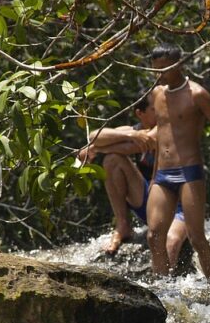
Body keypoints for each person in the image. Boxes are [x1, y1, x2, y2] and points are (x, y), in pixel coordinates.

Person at [147, 44, 210, 278]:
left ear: (178, 65)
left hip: (189, 172)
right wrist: (154, 175)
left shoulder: (197, 94)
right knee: (154, 235)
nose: (159, 74)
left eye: (164, 69)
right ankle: (162, 287)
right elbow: (161, 136)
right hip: (162, 173)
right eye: (155, 69)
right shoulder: (157, 94)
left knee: (196, 237)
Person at [78, 93, 189, 264]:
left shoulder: (165, 127)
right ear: (140, 113)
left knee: (171, 241)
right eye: (154, 109)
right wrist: (130, 135)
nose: (160, 112)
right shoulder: (135, 130)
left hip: (178, 206)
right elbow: (94, 136)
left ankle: (167, 280)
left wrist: (97, 149)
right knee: (112, 160)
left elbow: (139, 145)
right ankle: (123, 224)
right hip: (151, 201)